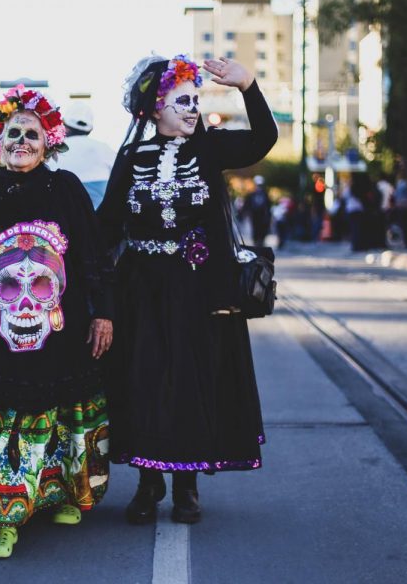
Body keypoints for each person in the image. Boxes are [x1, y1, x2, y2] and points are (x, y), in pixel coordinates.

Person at [0, 85, 114, 559]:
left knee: (60, 413)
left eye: (32, 133)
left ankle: (60, 493)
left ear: (49, 140)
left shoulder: (66, 187)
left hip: (62, 332)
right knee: (3, 423)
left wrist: (104, 310)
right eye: (13, 132)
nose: (22, 141)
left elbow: (93, 254)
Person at [98, 54, 275, 525]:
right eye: (182, 101)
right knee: (145, 382)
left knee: (192, 384)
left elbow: (264, 139)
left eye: (196, 100)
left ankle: (187, 486)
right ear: (155, 109)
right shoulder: (132, 157)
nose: (193, 108)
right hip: (142, 290)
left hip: (198, 289)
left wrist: (248, 86)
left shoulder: (210, 149)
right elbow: (107, 225)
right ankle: (147, 482)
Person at [55, 100, 115, 209]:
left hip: (61, 220)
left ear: (64, 125)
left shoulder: (53, 151)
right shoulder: (104, 149)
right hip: (98, 220)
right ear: (90, 129)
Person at [242, 175, 271, 246]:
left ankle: (261, 241)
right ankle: (256, 241)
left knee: (262, 228)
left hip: (263, 215)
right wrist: (246, 213)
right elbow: (247, 205)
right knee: (255, 228)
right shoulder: (251, 195)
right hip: (254, 215)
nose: (259, 187)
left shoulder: (265, 194)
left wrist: (268, 215)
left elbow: (268, 206)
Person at [392, 169, 407, 249]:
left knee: (403, 225)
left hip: (400, 206)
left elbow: (396, 195)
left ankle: (406, 242)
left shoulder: (399, 184)